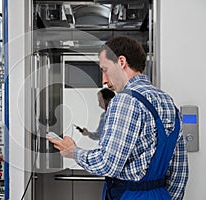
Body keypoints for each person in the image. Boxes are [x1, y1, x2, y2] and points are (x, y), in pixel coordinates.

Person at [47, 36, 188, 200]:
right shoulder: (168, 102)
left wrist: (73, 152)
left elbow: (107, 164)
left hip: (130, 195)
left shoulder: (125, 100)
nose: (104, 80)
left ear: (121, 62)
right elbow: (179, 173)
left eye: (104, 70)